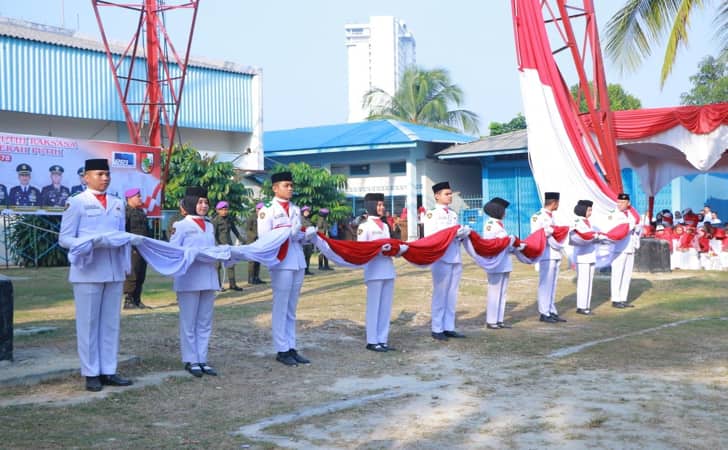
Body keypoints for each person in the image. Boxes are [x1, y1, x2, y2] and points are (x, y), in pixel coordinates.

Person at [58, 158, 133, 392]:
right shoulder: (77, 202)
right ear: (85, 177)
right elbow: (64, 238)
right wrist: (90, 242)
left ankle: (109, 370)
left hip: (113, 270)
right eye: (99, 174)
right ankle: (91, 372)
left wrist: (125, 266)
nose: (105, 178)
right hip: (88, 270)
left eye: (107, 174)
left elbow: (122, 237)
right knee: (89, 323)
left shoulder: (118, 203)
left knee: (111, 324)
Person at [258, 171, 313, 366]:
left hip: (297, 259)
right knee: (280, 307)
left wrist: (305, 235)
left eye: (291, 185)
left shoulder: (296, 209)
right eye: (286, 185)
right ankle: (281, 349)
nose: (290, 188)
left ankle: (291, 346)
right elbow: (265, 238)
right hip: (281, 262)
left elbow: (297, 235)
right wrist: (288, 232)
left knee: (292, 308)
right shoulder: (267, 210)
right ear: (275, 188)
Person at [169, 187, 220, 377]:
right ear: (190, 203)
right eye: (200, 202)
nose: (204, 205)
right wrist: (191, 255)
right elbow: (173, 251)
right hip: (189, 278)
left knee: (205, 321)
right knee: (189, 321)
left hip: (208, 277)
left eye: (206, 202)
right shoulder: (181, 225)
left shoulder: (210, 225)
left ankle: (202, 358)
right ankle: (191, 359)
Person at [358, 192, 406, 352]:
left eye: (382, 204)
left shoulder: (385, 226)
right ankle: (372, 340)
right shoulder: (364, 227)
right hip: (373, 270)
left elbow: (390, 245)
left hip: (387, 269)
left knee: (386, 307)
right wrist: (378, 249)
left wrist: (397, 250)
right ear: (371, 206)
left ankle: (383, 339)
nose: (382, 207)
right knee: (374, 306)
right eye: (378, 205)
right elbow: (361, 249)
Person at [424, 181, 466, 340]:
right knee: (440, 293)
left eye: (450, 194)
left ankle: (449, 326)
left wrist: (462, 234)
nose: (450, 197)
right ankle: (437, 328)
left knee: (452, 294)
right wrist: (452, 234)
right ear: (437, 196)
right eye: (446, 194)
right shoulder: (432, 214)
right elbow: (431, 236)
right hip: (441, 257)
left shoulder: (453, 214)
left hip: (455, 256)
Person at [481, 197, 519, 329]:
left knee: (502, 292)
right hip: (496, 261)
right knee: (494, 291)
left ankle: (499, 319)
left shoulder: (499, 224)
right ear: (498, 210)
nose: (505, 212)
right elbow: (492, 244)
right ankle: (491, 320)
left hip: (504, 261)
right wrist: (509, 241)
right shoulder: (490, 224)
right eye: (504, 210)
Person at [531, 191, 566, 323]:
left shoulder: (552, 216)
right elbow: (535, 234)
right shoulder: (537, 216)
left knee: (553, 284)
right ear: (554, 203)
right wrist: (549, 231)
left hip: (555, 253)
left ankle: (551, 310)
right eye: (558, 203)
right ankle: (544, 312)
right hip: (545, 254)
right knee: (545, 284)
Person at [606, 193, 640, 308]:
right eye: (618, 202)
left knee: (627, 274)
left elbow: (636, 224)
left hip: (630, 246)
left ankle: (623, 298)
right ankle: (615, 299)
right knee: (617, 273)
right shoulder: (613, 214)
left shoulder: (631, 213)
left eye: (622, 202)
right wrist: (632, 226)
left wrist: (637, 228)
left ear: (628, 203)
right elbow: (616, 228)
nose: (619, 204)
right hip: (619, 247)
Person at [122, 188, 150, 309]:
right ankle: (128, 300)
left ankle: (137, 299)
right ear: (130, 198)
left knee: (141, 273)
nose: (140, 199)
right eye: (138, 196)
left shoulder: (141, 212)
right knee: (132, 274)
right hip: (131, 248)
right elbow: (123, 230)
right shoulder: (125, 212)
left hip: (142, 248)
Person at [569, 200, 599, 315]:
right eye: (589, 210)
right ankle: (581, 306)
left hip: (590, 254)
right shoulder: (576, 221)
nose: (590, 212)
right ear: (582, 210)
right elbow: (579, 236)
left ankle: (586, 305)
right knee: (583, 282)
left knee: (589, 282)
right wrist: (593, 236)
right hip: (582, 255)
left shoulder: (588, 222)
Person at [212, 201, 243, 291]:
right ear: (217, 210)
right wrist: (216, 246)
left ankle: (232, 285)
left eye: (226, 209)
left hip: (229, 245)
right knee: (217, 266)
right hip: (219, 246)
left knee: (231, 265)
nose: (225, 211)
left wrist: (243, 240)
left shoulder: (229, 219)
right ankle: (217, 286)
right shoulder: (215, 221)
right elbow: (213, 234)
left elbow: (235, 231)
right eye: (222, 210)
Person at [246, 202, 266, 284]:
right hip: (252, 241)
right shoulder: (251, 217)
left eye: (262, 209)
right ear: (256, 209)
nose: (260, 210)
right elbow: (247, 230)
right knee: (252, 261)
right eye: (259, 209)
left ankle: (256, 277)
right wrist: (255, 235)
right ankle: (250, 278)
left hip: (260, 242)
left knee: (258, 260)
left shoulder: (264, 218)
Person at [301, 206, 315, 275]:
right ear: (303, 212)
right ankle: (302, 270)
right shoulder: (299, 219)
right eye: (306, 212)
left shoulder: (309, 220)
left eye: (308, 212)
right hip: (302, 241)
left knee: (308, 256)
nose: (307, 213)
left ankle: (307, 270)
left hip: (309, 241)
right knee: (302, 256)